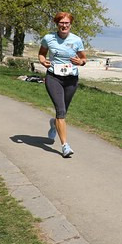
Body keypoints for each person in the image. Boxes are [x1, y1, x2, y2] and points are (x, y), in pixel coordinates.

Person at [38, 12, 87, 158]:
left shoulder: (76, 40)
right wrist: (42, 61)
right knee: (60, 111)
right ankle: (65, 146)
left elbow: (84, 58)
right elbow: (41, 53)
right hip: (54, 77)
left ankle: (54, 124)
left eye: (67, 23)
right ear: (57, 24)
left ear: (70, 24)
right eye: (61, 23)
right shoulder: (49, 38)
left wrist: (81, 62)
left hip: (71, 79)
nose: (64, 25)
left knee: (63, 111)